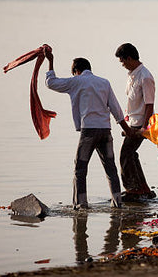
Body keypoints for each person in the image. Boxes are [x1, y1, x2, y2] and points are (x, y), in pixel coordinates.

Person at [44, 48, 133, 210]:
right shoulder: (104, 82)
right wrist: (127, 129)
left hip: (89, 132)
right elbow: (116, 108)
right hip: (105, 130)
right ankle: (117, 202)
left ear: (76, 71)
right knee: (110, 168)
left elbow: (51, 83)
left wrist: (50, 60)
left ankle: (81, 204)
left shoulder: (76, 81)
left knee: (80, 168)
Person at [115, 43, 156, 201]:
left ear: (129, 58)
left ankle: (135, 190)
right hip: (132, 121)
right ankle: (143, 189)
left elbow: (149, 104)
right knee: (131, 154)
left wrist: (144, 128)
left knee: (125, 154)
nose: (123, 65)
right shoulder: (132, 75)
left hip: (140, 123)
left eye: (123, 62)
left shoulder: (145, 77)